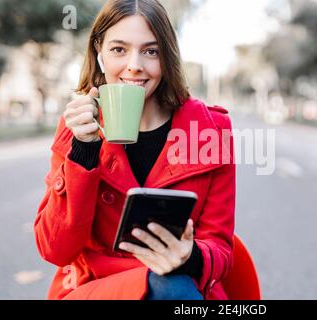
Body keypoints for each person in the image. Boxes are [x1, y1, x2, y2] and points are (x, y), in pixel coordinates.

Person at [34, 0, 235, 300]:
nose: (134, 65)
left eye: (151, 51)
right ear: (99, 53)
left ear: (166, 57)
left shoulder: (210, 129)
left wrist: (189, 258)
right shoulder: (77, 124)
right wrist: (83, 151)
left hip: (176, 284)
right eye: (119, 49)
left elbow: (221, 249)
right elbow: (55, 249)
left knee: (175, 285)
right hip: (96, 288)